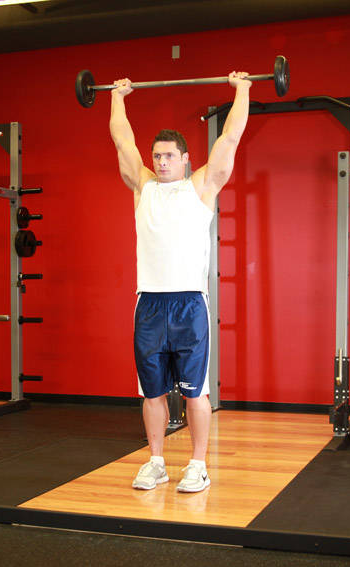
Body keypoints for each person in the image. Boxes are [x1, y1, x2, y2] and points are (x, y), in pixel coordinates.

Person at [109, 70, 251, 493]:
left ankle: (197, 465)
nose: (161, 162)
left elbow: (230, 139)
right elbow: (122, 141)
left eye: (169, 156)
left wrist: (242, 90)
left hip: (189, 304)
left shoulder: (201, 187)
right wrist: (117, 97)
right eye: (157, 156)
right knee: (151, 393)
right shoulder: (143, 187)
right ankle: (155, 461)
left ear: (186, 158)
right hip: (150, 304)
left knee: (195, 393)